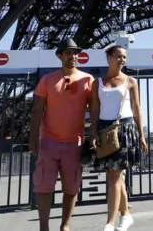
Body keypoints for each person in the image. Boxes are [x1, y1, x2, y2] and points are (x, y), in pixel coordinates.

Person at [29, 39, 94, 231]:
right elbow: (37, 110)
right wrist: (33, 139)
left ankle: (65, 225)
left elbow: (95, 109)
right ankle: (44, 227)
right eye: (68, 53)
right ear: (59, 55)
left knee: (72, 186)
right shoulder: (47, 80)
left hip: (75, 142)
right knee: (44, 185)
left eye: (75, 53)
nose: (73, 56)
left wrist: (94, 136)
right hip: (49, 141)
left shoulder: (87, 79)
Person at [90, 45, 148, 231]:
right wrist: (93, 133)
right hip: (104, 130)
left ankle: (110, 222)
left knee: (114, 175)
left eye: (125, 57)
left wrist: (141, 135)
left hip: (124, 128)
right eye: (119, 56)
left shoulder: (130, 81)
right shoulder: (96, 82)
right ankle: (126, 215)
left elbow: (137, 109)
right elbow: (95, 110)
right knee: (114, 175)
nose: (123, 60)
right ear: (108, 58)